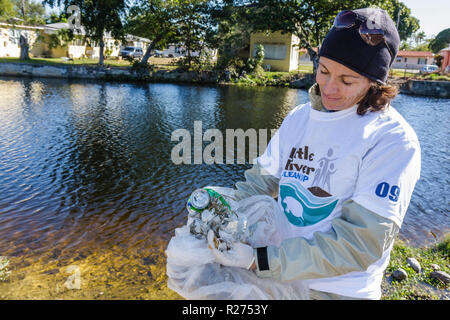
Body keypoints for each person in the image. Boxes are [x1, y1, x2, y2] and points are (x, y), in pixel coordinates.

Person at [207, 8, 421, 300]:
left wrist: (260, 260)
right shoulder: (299, 117)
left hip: (339, 291)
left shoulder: (393, 140)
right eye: (324, 71)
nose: (329, 88)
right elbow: (259, 184)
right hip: (280, 280)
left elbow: (360, 244)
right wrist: (222, 215)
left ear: (375, 82)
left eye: (347, 81)